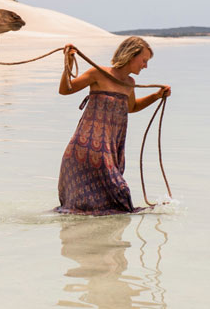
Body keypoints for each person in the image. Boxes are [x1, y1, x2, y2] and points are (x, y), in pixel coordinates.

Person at [55, 36, 171, 215]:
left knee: (103, 204)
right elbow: (65, 90)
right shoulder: (98, 73)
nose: (145, 66)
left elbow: (131, 107)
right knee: (119, 194)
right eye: (144, 61)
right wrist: (68, 63)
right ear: (132, 55)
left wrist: (156, 96)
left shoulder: (129, 83)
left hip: (109, 149)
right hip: (88, 148)